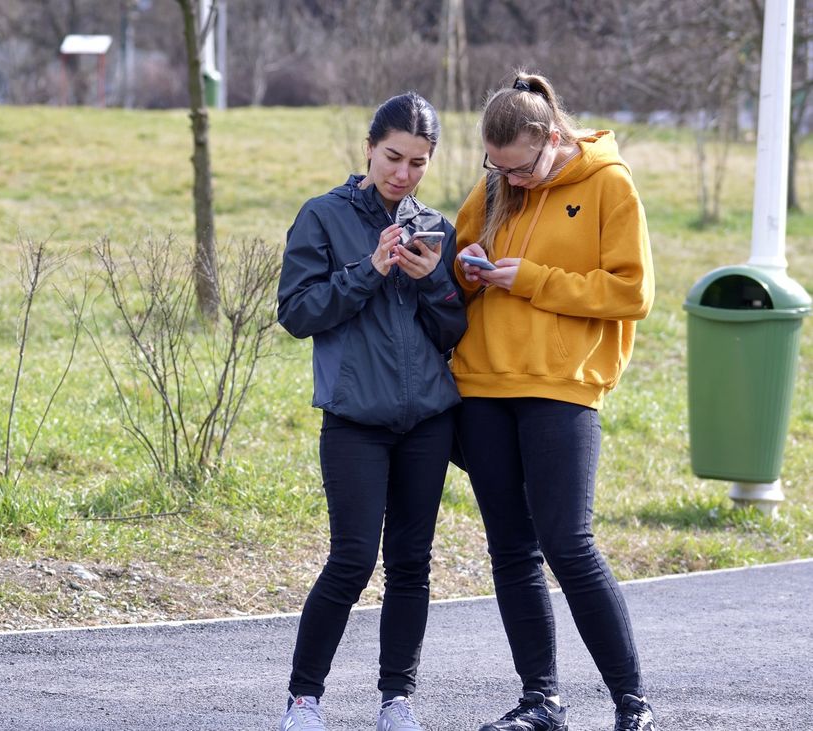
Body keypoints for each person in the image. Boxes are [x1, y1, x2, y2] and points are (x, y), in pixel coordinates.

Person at [451, 71, 657, 731]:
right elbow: (457, 262)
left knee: (568, 542)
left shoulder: (608, 183)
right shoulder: (495, 187)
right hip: (483, 386)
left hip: (562, 386)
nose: (511, 179)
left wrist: (534, 279)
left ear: (551, 137)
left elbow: (632, 292)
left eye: (521, 167)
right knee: (511, 549)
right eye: (497, 166)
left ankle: (633, 702)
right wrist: (465, 268)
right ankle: (541, 702)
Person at [276, 92, 466, 731]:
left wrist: (434, 280)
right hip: (355, 420)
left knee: (412, 563)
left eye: (418, 162)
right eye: (393, 157)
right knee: (353, 560)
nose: (403, 174)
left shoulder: (435, 225)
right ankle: (305, 699)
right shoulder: (322, 217)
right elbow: (297, 313)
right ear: (368, 148)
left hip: (428, 421)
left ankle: (397, 700)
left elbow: (452, 333)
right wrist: (370, 268)